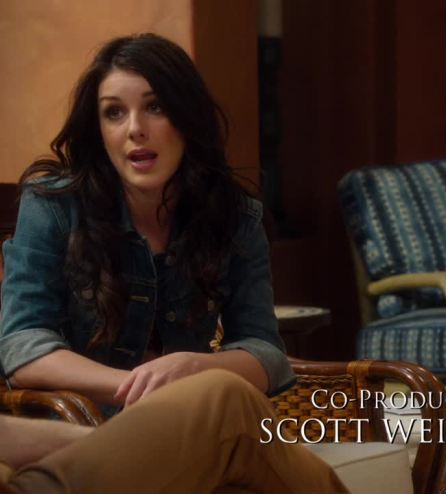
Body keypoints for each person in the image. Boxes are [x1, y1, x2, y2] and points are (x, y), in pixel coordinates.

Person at [0, 33, 293, 411]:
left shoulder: (235, 216)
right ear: (99, 130)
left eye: (155, 107)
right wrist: (142, 388)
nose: (135, 129)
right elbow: (23, 346)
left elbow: (268, 353)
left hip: (192, 417)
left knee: (246, 419)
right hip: (86, 429)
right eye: (114, 112)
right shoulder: (54, 206)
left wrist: (195, 368)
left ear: (187, 118)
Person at [0, 369, 349, 493]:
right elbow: (26, 349)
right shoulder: (53, 225)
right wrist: (136, 383)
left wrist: (112, 441)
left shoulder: (235, 229)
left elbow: (268, 353)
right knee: (227, 402)